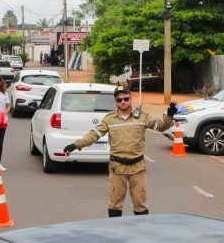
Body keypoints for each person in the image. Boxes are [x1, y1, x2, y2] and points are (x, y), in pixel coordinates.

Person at [64, 85, 177, 217]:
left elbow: (160, 126)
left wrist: (170, 114)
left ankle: (142, 233)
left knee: (141, 205)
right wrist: (76, 144)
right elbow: (94, 135)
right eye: (119, 100)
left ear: (130, 98)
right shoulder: (109, 119)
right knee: (115, 206)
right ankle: (115, 233)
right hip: (117, 169)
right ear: (115, 101)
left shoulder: (142, 116)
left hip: (138, 168)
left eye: (125, 99)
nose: (123, 102)